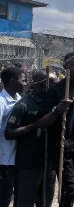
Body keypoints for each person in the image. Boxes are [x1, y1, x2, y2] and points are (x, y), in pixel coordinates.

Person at [37, 52, 74, 207]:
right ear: (65, 67)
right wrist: (57, 109)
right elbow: (42, 122)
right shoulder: (56, 90)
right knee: (69, 189)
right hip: (61, 147)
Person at [5, 70, 57, 207]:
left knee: (45, 201)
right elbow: (9, 133)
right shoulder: (23, 105)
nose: (55, 86)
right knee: (25, 202)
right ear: (40, 84)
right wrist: (35, 125)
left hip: (49, 162)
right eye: (51, 83)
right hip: (29, 163)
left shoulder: (55, 102)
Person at [0, 67, 26, 207]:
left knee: (18, 195)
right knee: (4, 197)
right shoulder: (1, 102)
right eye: (23, 80)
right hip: (4, 160)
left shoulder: (19, 99)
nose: (26, 83)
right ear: (11, 81)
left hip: (17, 157)